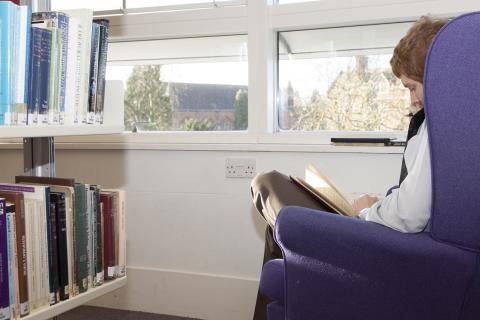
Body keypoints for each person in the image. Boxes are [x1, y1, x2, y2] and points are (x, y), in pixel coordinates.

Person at [250, 16, 448, 320]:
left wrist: (367, 212)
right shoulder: (448, 126)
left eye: (412, 87)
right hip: (394, 233)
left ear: (438, 75)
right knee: (276, 216)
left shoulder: (441, 127)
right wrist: (379, 203)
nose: (412, 100)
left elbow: (411, 214)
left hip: (390, 243)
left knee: (273, 196)